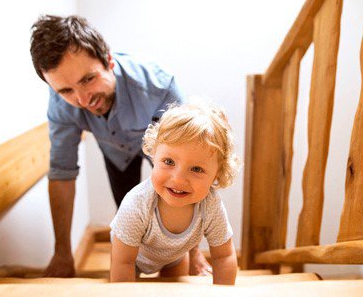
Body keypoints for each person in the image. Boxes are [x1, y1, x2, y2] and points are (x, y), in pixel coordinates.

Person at [30, 15, 211, 277]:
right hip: (115, 152)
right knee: (128, 214)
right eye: (66, 90)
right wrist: (61, 255)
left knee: (175, 194)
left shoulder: (159, 85)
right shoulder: (60, 105)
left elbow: (190, 166)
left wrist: (195, 254)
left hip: (165, 145)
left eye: (88, 80)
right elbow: (62, 173)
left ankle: (182, 258)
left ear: (109, 61)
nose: (82, 99)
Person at [110, 100, 240, 285]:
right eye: (169, 162)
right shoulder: (137, 203)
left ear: (216, 175)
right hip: (131, 257)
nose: (178, 180)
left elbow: (223, 256)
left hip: (175, 258)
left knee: (175, 289)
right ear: (154, 154)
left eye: (196, 169)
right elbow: (123, 262)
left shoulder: (211, 205)